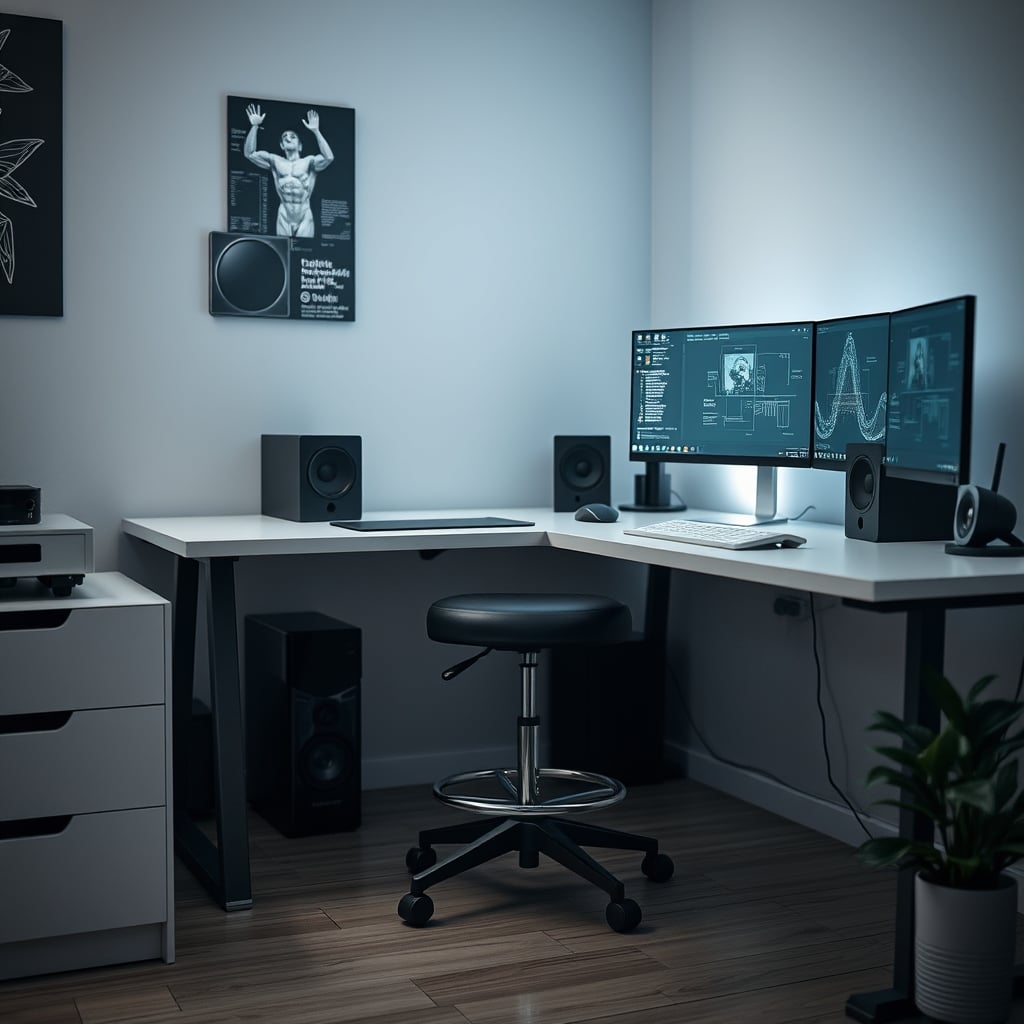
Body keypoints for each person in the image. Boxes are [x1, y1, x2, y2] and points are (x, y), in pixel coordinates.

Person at [243, 103, 334, 238]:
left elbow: (329, 157)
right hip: (284, 216)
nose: (288, 137)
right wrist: (254, 126)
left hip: (304, 216)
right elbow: (249, 154)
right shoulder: (275, 160)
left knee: (306, 255)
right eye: (285, 137)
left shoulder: (309, 161)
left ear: (300, 146)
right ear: (281, 145)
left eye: (293, 136)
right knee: (283, 256)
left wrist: (316, 131)